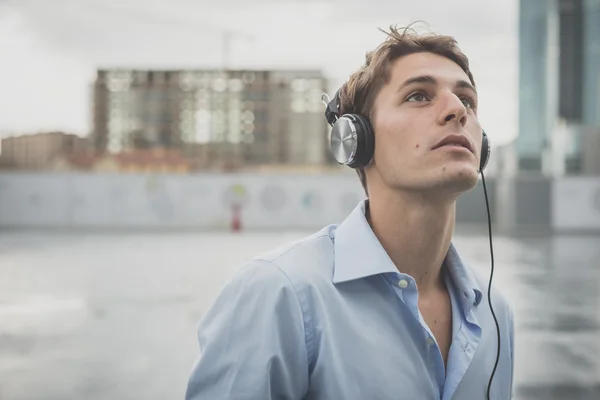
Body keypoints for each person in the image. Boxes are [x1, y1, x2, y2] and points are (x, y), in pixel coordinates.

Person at [185, 24, 514, 400]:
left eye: (467, 101)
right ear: (355, 140)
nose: (457, 110)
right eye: (419, 96)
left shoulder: (495, 311)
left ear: (482, 147)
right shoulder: (279, 294)